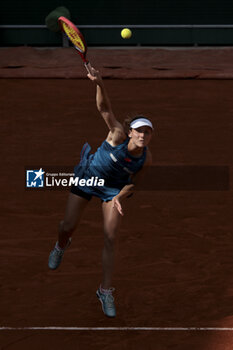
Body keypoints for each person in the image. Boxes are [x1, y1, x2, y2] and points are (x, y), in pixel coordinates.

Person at [48, 68, 153, 318]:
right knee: (67, 225)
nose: (142, 135)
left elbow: (134, 184)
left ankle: (105, 290)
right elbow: (105, 109)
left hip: (112, 190)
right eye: (139, 130)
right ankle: (62, 245)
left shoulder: (146, 160)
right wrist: (100, 83)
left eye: (147, 132)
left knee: (110, 237)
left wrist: (118, 197)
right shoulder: (116, 135)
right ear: (129, 132)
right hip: (88, 178)